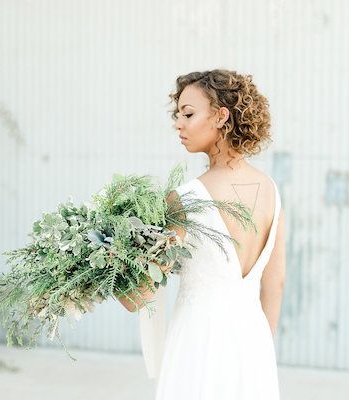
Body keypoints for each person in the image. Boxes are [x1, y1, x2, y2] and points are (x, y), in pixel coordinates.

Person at [118, 69, 286, 399]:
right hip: (254, 344)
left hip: (198, 343)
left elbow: (139, 293)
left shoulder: (186, 199)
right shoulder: (271, 190)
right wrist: (261, 351)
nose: (178, 124)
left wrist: (97, 267)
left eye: (188, 114)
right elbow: (275, 282)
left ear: (221, 117)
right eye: (177, 115)